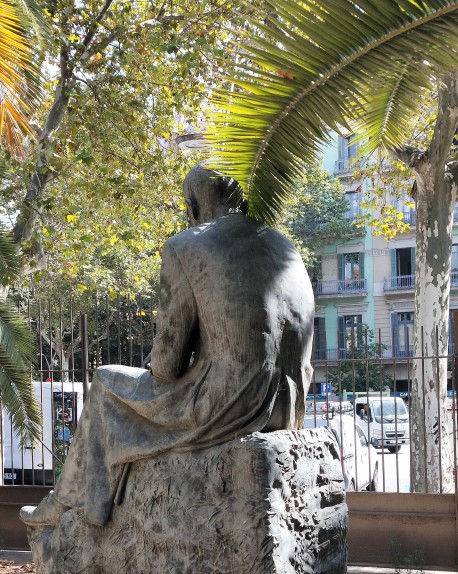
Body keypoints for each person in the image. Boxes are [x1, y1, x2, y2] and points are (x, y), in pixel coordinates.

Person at [21, 165, 315, 529]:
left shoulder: (186, 246)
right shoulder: (286, 246)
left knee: (104, 384)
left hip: (229, 404)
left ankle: (70, 503)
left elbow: (165, 367)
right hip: (288, 407)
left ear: (191, 207)